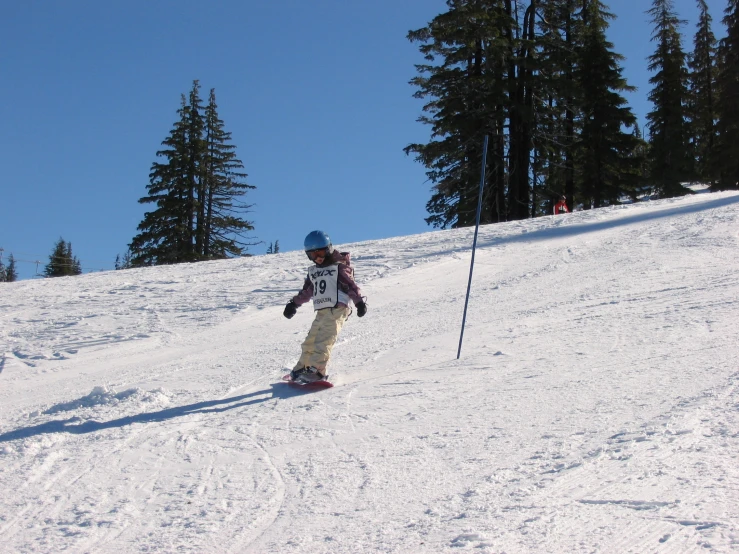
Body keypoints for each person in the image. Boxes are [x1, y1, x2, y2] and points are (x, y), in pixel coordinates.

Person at [283, 230, 367, 384]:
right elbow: (308, 291)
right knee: (310, 340)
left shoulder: (339, 267)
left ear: (328, 249)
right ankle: (302, 368)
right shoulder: (314, 272)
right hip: (322, 310)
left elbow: (351, 286)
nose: (318, 258)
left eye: (320, 252)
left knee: (323, 340)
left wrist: (359, 302)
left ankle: (317, 371)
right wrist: (293, 304)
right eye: (313, 255)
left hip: (338, 309)